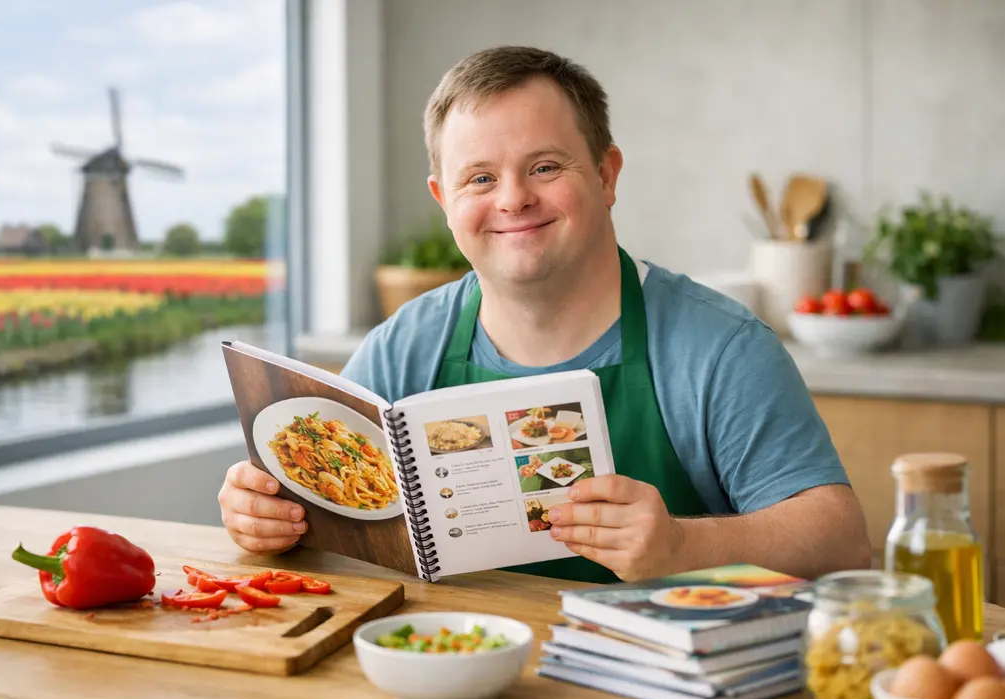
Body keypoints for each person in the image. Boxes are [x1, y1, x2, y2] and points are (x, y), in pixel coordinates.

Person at [218, 45, 872, 584]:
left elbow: (841, 541)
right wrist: (269, 519)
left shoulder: (718, 347)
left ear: (606, 175)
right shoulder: (402, 347)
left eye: (544, 166)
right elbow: (337, 528)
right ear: (443, 200)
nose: (513, 200)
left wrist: (681, 545)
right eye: (479, 178)